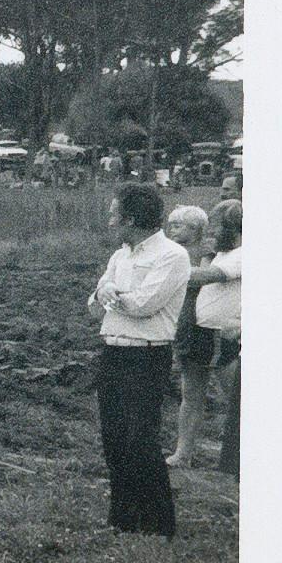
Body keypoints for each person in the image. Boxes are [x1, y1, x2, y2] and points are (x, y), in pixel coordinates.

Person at [87, 183, 190, 537]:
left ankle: (159, 523)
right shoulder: (120, 255)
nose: (111, 220)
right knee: (114, 436)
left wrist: (112, 295)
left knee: (140, 439)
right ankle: (123, 519)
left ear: (131, 218)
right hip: (113, 351)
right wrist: (110, 293)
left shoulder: (172, 256)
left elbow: (146, 304)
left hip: (146, 357)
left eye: (115, 213)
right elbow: (95, 297)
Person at [182, 200, 241, 475]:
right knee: (191, 394)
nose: (212, 234)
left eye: (218, 228)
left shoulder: (243, 254)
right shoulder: (221, 252)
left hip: (222, 334)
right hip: (202, 330)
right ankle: (183, 453)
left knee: (236, 397)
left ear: (234, 228)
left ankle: (238, 458)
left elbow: (204, 277)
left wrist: (169, 269)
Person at [162, 204, 211, 467]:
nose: (172, 231)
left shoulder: (204, 251)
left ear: (195, 229)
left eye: (177, 226)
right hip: (183, 323)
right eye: (171, 225)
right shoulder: (172, 251)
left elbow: (198, 279)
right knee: (189, 389)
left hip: (200, 321)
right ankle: (184, 453)